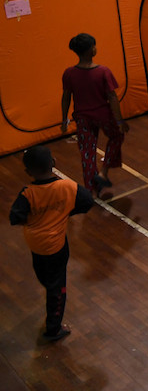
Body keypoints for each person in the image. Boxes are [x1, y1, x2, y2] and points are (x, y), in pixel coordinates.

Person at [9, 146, 94, 342]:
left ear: (28, 172)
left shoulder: (27, 193)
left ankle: (51, 290)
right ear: (54, 163)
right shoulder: (67, 187)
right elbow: (87, 201)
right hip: (56, 248)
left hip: (36, 247)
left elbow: (15, 217)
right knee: (57, 288)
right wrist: (64, 212)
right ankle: (53, 329)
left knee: (45, 277)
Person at [61, 33, 129, 197]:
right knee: (116, 137)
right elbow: (112, 97)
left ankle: (91, 188)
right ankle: (103, 171)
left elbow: (66, 97)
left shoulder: (69, 73)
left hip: (83, 118)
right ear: (92, 50)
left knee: (87, 152)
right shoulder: (103, 71)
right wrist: (119, 121)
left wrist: (64, 119)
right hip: (103, 115)